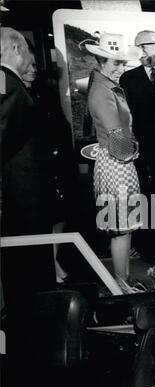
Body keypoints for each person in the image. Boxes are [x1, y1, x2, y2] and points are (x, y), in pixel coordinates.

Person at [81, 33, 143, 290]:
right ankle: (120, 286)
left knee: (124, 227)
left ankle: (123, 282)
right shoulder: (102, 90)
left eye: (123, 63)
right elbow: (117, 138)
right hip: (117, 163)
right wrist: (134, 151)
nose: (121, 68)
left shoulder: (105, 85)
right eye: (115, 63)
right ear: (100, 60)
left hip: (117, 162)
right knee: (121, 228)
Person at [0, 27, 56, 298]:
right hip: (23, 196)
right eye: (25, 51)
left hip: (20, 194)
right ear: (14, 49)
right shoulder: (9, 85)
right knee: (30, 271)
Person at [21, 42, 78, 284]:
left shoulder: (43, 89)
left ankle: (52, 262)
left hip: (56, 164)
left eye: (36, 64)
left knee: (59, 217)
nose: (34, 69)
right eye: (30, 65)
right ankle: (50, 266)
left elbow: (58, 127)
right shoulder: (15, 92)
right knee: (49, 217)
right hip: (38, 169)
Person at [119, 30, 155, 193]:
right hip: (143, 151)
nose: (140, 50)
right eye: (137, 46)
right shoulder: (127, 78)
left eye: (144, 45)